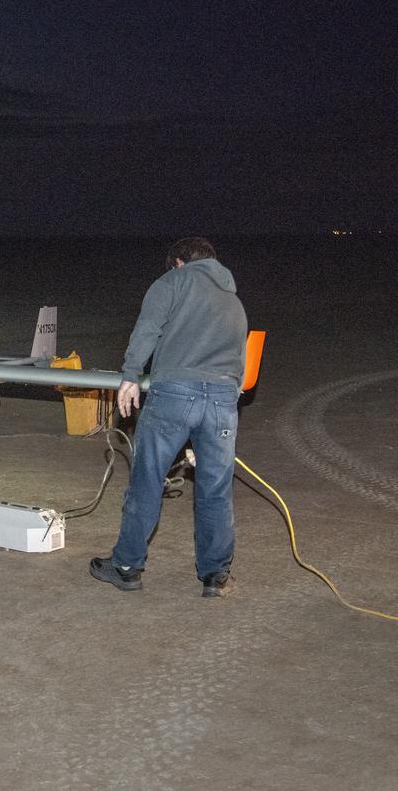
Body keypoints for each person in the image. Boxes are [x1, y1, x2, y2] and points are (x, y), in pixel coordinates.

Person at [90, 237, 247, 598]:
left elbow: (148, 329)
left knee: (147, 481)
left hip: (175, 393)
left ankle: (127, 567)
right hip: (223, 399)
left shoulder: (172, 283)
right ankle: (215, 576)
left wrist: (131, 375)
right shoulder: (233, 299)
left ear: (179, 262)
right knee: (215, 490)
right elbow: (241, 353)